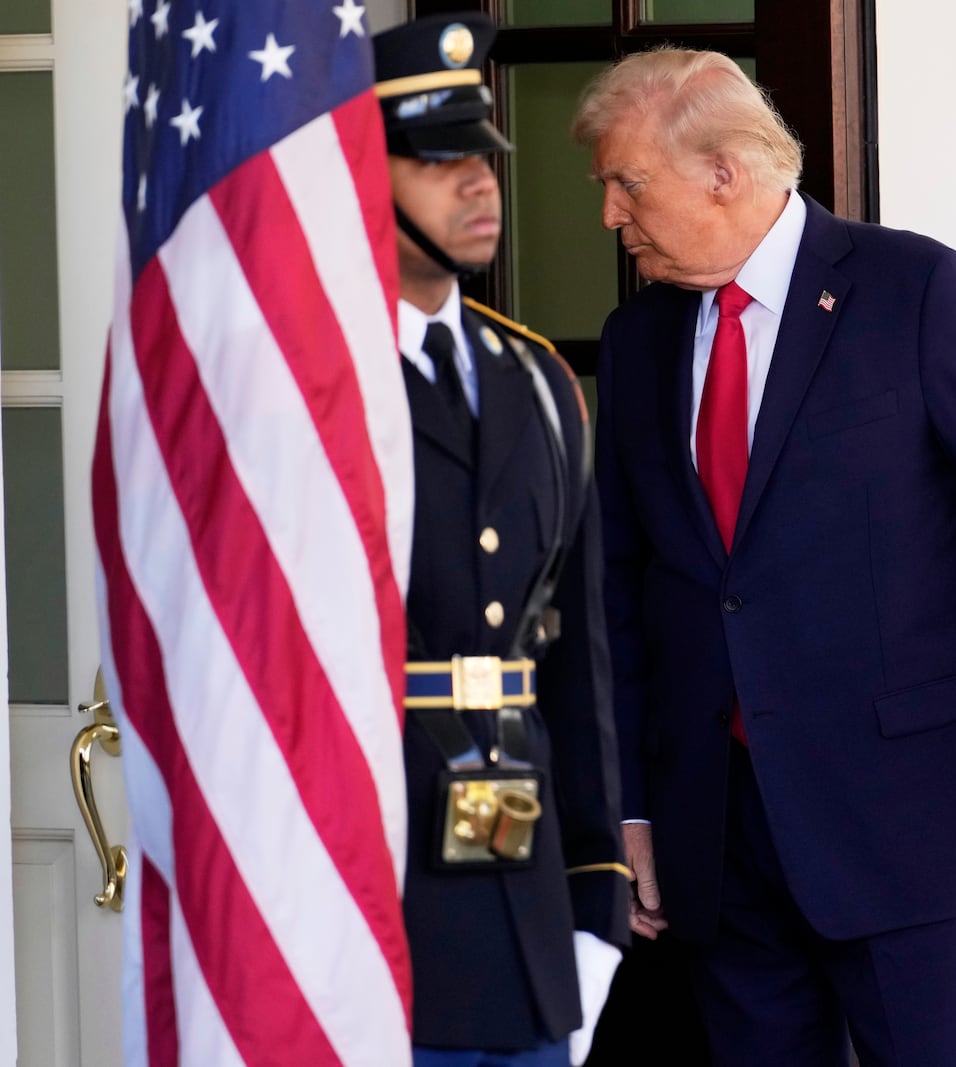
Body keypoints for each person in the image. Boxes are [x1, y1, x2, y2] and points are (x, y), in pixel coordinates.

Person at [571, 49, 956, 1067]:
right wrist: (628, 806)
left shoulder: (917, 291)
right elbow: (619, 598)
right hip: (717, 845)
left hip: (916, 833)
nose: (608, 215)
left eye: (625, 182)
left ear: (723, 171)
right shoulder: (635, 340)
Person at [373, 14, 629, 1066]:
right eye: (438, 160)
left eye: (483, 154)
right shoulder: (313, 386)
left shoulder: (536, 382)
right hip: (373, 911)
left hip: (527, 915)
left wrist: (594, 894)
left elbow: (575, 657)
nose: (479, 181)